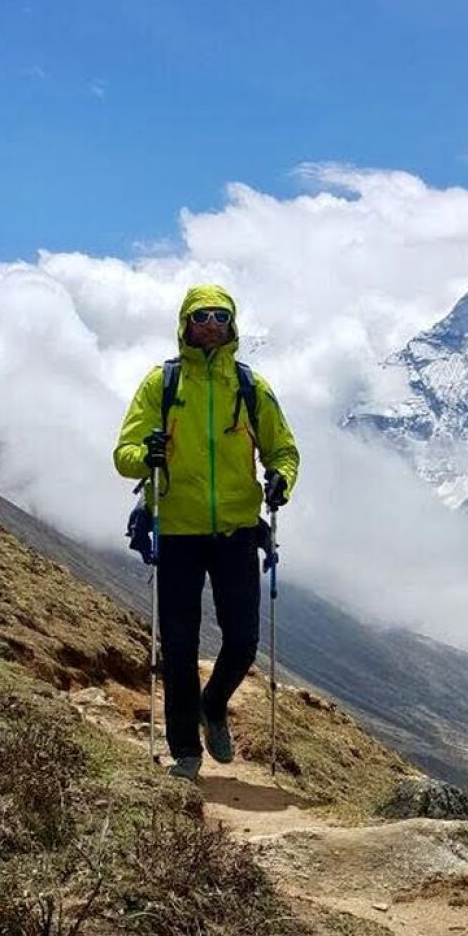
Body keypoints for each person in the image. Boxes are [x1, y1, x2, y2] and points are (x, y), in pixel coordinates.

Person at [114, 284, 299, 778]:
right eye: (201, 316)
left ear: (232, 324)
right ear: (185, 323)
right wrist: (144, 456)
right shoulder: (163, 384)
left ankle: (213, 705)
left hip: (237, 530)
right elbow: (124, 454)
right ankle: (185, 752)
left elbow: (282, 450)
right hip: (177, 530)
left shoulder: (250, 386)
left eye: (220, 316)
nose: (211, 324)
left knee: (242, 640)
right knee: (178, 644)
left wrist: (282, 478)